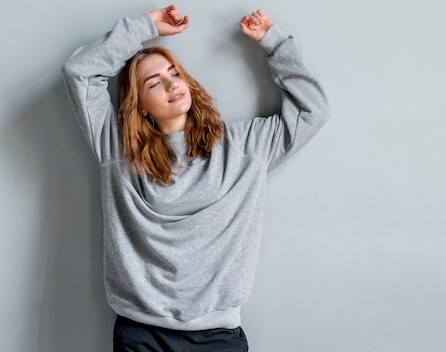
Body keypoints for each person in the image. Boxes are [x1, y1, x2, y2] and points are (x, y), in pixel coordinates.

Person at [62, 4, 329, 351]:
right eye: (155, 82)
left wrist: (274, 42)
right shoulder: (117, 149)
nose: (172, 84)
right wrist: (144, 27)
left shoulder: (244, 145)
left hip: (217, 334)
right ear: (140, 104)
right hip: (141, 332)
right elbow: (79, 73)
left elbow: (313, 110)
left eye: (175, 73)